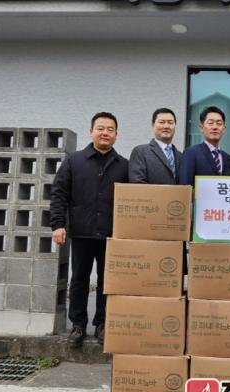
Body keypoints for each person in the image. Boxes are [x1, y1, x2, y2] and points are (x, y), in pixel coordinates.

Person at [50, 112, 129, 348]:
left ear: (116, 134)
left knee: (108, 281)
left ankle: (102, 323)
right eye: (100, 128)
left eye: (110, 129)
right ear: (91, 131)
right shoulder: (74, 161)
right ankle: (78, 325)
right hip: (82, 232)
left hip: (111, 235)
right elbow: (59, 193)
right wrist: (58, 224)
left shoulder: (124, 165)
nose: (105, 133)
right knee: (79, 279)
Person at [179, 106, 230, 187]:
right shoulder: (191, 153)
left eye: (219, 124)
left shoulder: (228, 159)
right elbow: (185, 186)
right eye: (210, 123)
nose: (215, 127)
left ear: (224, 129)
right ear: (201, 128)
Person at [128, 108, 182, 184]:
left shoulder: (180, 156)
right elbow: (137, 183)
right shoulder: (140, 152)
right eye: (162, 122)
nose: (166, 126)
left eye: (170, 123)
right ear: (153, 125)